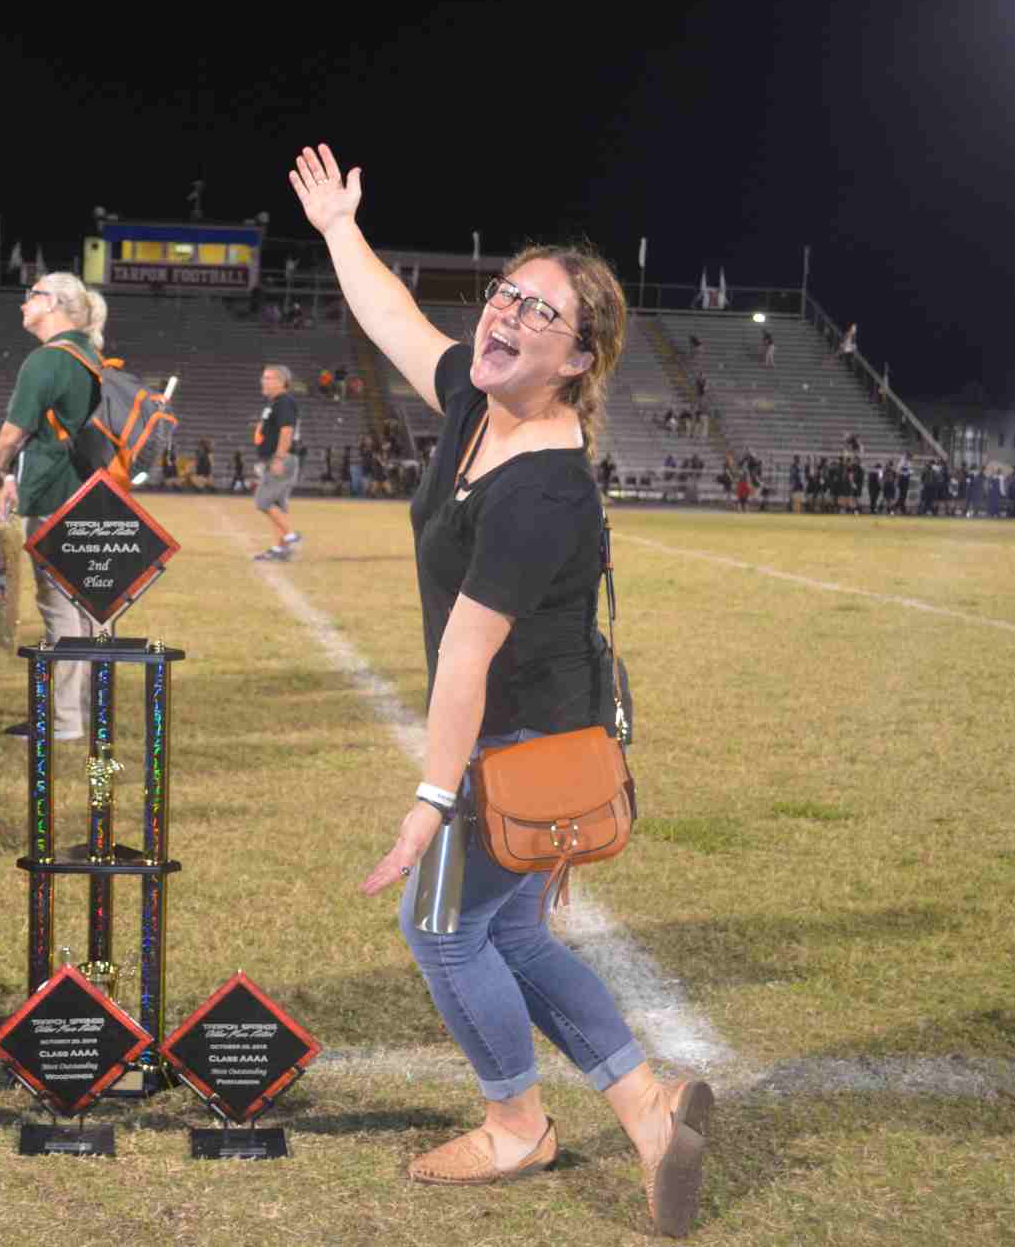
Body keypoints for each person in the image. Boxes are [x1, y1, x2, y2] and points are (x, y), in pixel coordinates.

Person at [291, 143, 711, 1235]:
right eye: (504, 294)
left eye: (539, 310)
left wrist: (432, 799)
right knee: (513, 936)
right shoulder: (481, 407)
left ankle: (516, 1124)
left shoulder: (542, 489)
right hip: (533, 730)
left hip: (520, 742)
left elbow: (468, 656)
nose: (506, 314)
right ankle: (648, 1108)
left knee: (439, 927)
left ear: (576, 358)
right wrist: (339, 230)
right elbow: (395, 321)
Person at [0, 271, 107, 742]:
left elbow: (12, 434)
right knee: (86, 609)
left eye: (32, 295)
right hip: (92, 494)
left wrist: (2, 469)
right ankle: (84, 711)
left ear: (54, 304)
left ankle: (63, 721)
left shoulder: (46, 360)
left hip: (53, 495)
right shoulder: (90, 356)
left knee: (58, 607)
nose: (24, 302)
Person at [252, 364, 303, 560]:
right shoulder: (274, 403)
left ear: (282, 382)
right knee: (276, 505)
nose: (263, 381)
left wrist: (279, 457)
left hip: (281, 458)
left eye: (268, 378)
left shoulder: (284, 402)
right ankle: (280, 548)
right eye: (263, 377)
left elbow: (287, 430)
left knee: (263, 501)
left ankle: (291, 536)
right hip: (275, 458)